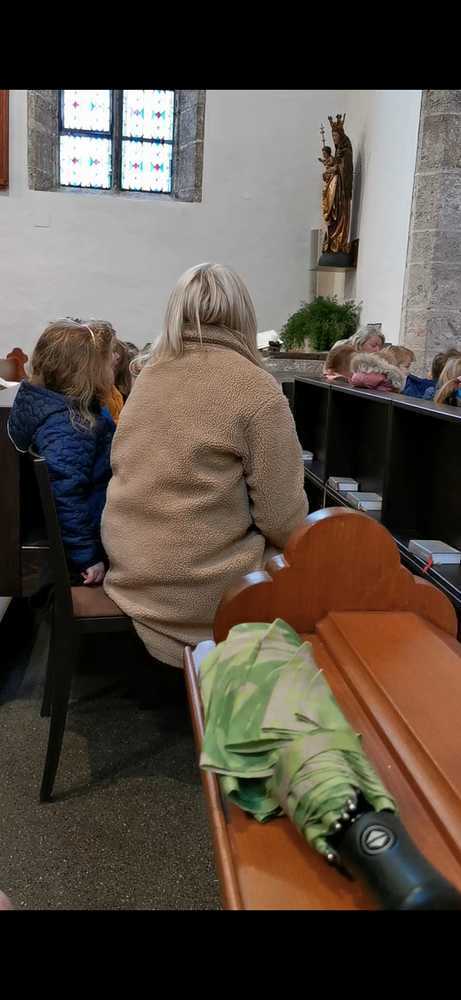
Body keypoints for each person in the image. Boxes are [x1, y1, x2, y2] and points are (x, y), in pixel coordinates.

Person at [102, 263, 309, 668]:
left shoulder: (147, 376)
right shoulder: (257, 388)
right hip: (198, 590)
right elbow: (283, 520)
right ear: (243, 316)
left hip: (132, 569)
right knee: (318, 566)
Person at [8, 319, 115, 585]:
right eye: (107, 360)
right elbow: (65, 494)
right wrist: (86, 555)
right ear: (87, 371)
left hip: (83, 524)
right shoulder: (70, 426)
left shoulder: (52, 405)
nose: (114, 361)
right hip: (82, 541)